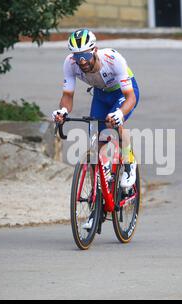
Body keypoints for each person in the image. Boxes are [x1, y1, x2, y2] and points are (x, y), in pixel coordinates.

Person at [52, 28, 140, 188]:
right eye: (77, 56)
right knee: (96, 144)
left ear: (95, 50)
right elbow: (67, 96)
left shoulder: (113, 59)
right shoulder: (70, 63)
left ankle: (129, 162)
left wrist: (119, 113)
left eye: (85, 55)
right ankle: (97, 203)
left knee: (113, 123)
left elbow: (130, 97)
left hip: (122, 92)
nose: (82, 61)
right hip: (101, 94)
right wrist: (63, 111)